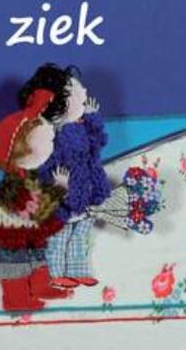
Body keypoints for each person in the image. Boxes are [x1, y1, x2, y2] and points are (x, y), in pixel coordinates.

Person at [20, 64, 111, 289]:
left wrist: (92, 119)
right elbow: (42, 166)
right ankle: (56, 272)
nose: (84, 95)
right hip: (62, 197)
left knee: (81, 236)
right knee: (59, 237)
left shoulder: (79, 126)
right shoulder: (47, 134)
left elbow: (97, 144)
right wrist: (57, 185)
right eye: (76, 95)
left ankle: (78, 270)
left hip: (85, 192)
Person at [0, 87, 74, 311]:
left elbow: (39, 206)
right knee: (15, 266)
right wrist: (58, 192)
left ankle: (39, 287)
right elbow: (40, 211)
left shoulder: (28, 177)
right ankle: (15, 300)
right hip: (14, 236)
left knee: (38, 255)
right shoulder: (16, 186)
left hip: (29, 231)